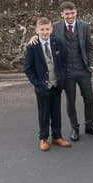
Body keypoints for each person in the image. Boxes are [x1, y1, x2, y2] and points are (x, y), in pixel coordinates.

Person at [51, 2, 93, 140]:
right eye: (67, 13)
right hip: (67, 71)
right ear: (62, 14)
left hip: (83, 70)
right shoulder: (55, 27)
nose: (70, 16)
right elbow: (44, 38)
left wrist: (91, 65)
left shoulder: (84, 26)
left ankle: (90, 125)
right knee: (71, 100)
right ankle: (74, 128)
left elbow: (89, 47)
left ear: (76, 12)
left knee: (89, 98)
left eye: (72, 13)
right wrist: (34, 38)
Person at [23, 16, 70, 151]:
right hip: (42, 85)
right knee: (44, 112)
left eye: (47, 29)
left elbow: (63, 61)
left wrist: (62, 78)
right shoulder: (32, 46)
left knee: (56, 112)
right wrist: (37, 84)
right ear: (37, 30)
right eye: (42, 29)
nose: (45, 32)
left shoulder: (57, 42)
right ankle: (43, 138)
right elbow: (28, 68)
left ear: (51, 29)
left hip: (56, 84)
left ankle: (57, 136)